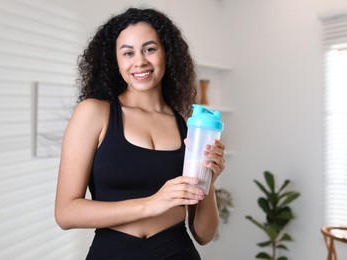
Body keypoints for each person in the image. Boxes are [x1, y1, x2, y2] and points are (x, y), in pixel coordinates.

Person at [55, 7, 226, 260]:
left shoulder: (184, 125)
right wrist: (152, 203)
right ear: (115, 61)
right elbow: (66, 213)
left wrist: (209, 181)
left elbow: (203, 234)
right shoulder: (94, 113)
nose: (140, 61)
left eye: (149, 49)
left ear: (167, 53)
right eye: (128, 52)